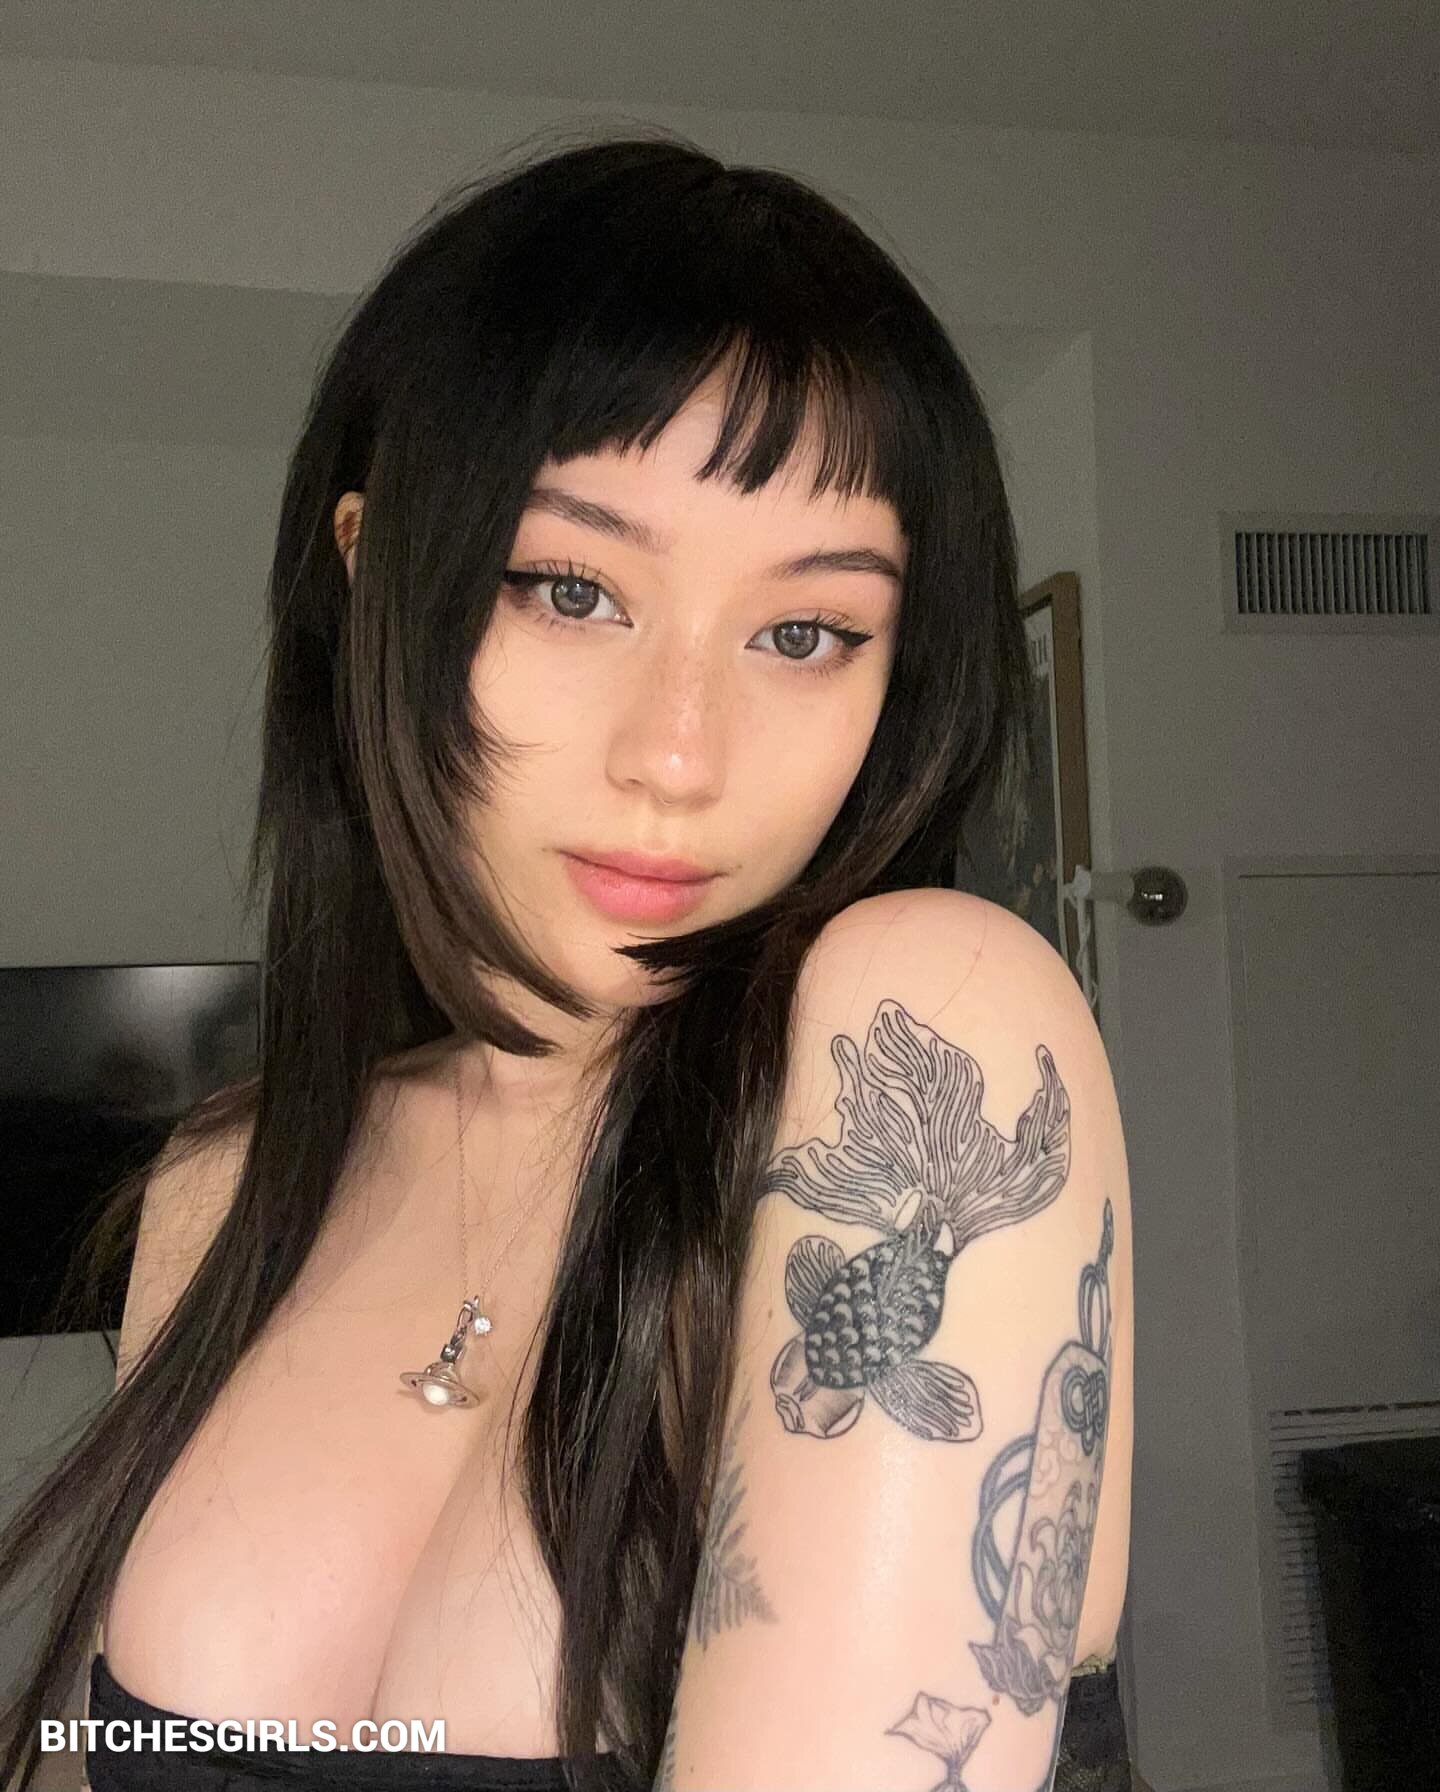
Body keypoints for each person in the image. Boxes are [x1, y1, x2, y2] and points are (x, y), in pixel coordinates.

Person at [0, 128, 1133, 1792]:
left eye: (805, 632)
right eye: (569, 590)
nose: (678, 755)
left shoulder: (926, 1038)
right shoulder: (220, 1192)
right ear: (372, 572)